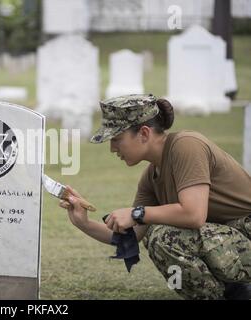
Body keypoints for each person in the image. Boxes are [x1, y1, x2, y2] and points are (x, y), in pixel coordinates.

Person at [60, 94, 251, 300]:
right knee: (155, 234)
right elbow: (132, 235)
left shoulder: (187, 145)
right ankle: (234, 292)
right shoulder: (151, 176)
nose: (112, 148)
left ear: (143, 133)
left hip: (244, 231)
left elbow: (194, 215)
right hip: (230, 241)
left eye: (116, 139)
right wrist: (84, 223)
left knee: (163, 236)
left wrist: (137, 213)